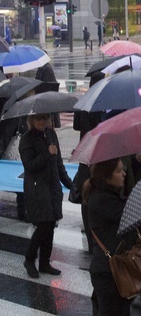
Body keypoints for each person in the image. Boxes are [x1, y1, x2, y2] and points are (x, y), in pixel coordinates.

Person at [84, 158, 138, 316]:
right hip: (109, 273)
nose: (124, 172)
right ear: (107, 175)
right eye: (119, 170)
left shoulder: (108, 194)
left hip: (116, 269)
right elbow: (132, 218)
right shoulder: (103, 201)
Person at [19, 113, 75, 278]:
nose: (42, 121)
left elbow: (58, 164)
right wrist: (47, 154)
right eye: (38, 118)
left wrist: (70, 184)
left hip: (53, 188)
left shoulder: (51, 134)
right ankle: (29, 258)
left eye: (45, 118)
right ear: (31, 120)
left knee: (50, 226)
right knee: (43, 226)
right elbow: (29, 166)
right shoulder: (26, 139)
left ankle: (44, 262)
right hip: (37, 189)